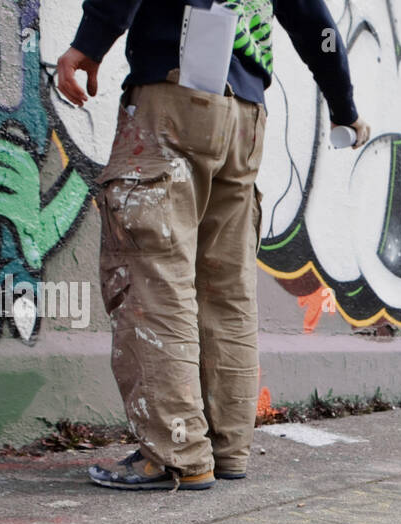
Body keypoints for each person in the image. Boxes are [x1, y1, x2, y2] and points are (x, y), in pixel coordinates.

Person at [56, 1, 369, 490]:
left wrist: (89, 44)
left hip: (173, 97)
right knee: (227, 288)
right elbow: (315, 23)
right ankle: (227, 449)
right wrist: (344, 107)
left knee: (153, 277)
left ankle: (176, 454)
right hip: (244, 117)